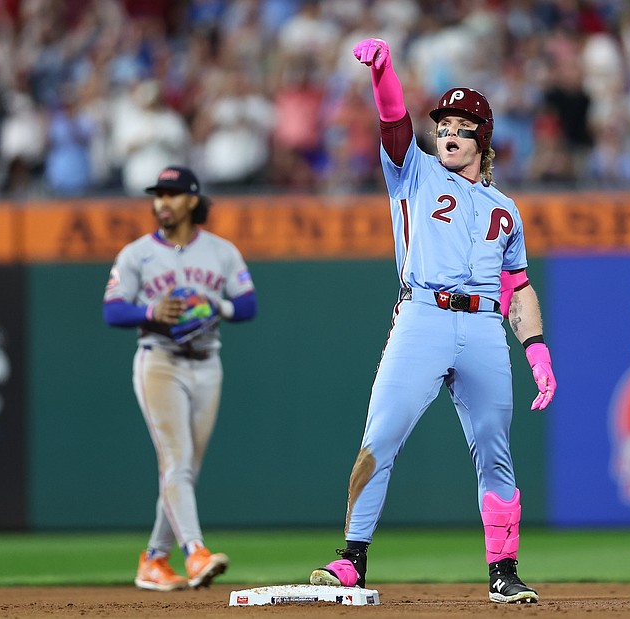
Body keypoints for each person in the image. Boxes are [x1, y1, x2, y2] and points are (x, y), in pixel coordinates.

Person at [308, 38, 557, 605]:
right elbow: (394, 118)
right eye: (444, 120)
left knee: (495, 449)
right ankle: (352, 558)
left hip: (485, 329)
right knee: (382, 436)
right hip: (423, 316)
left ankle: (503, 569)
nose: (448, 129)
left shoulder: (505, 208)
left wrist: (537, 350)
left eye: (462, 124)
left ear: (482, 138)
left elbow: (517, 286)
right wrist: (383, 72)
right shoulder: (412, 171)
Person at [102, 165, 258, 591]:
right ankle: (195, 553)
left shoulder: (221, 250)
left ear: (191, 200)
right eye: (158, 195)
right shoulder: (136, 254)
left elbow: (247, 304)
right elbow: (112, 310)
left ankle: (153, 559)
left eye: (170, 194)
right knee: (176, 461)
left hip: (207, 362)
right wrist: (150, 312)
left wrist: (216, 306)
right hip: (160, 362)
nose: (162, 203)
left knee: (185, 467)